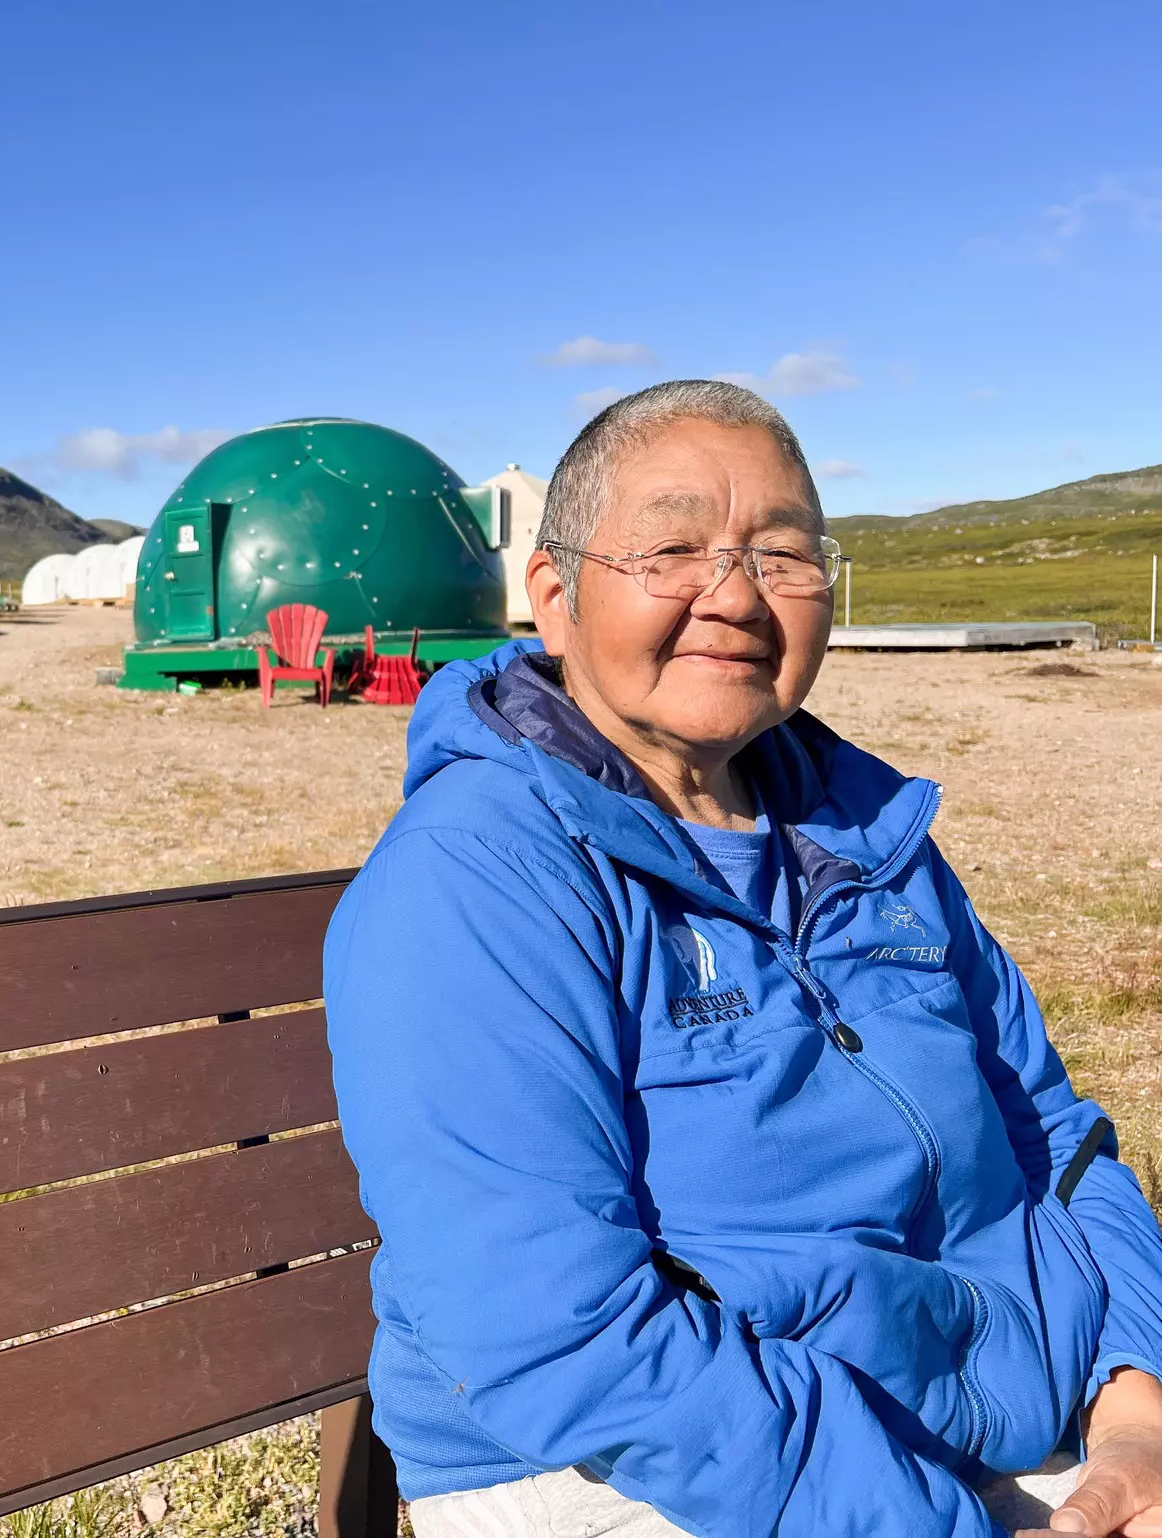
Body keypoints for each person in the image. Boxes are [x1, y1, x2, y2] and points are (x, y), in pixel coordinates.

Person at [323, 380, 1162, 1538]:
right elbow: (553, 1330)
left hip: (998, 1408)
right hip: (634, 1457)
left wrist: (1135, 1405)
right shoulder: (478, 876)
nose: (732, 597)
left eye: (780, 554)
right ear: (554, 598)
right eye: (671, 547)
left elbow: (1052, 1137)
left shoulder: (871, 839)